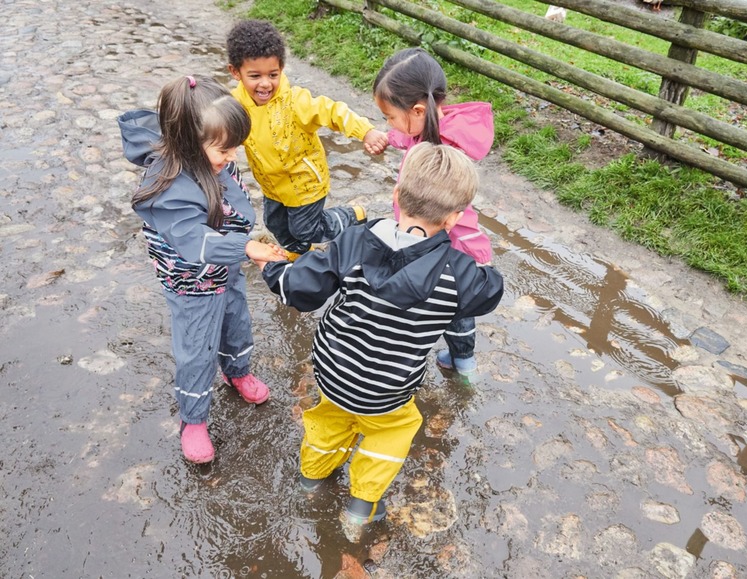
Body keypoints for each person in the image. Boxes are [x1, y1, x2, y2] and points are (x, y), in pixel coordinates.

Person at [255, 143, 504, 525]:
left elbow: (301, 289)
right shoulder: (460, 274)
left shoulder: (355, 241)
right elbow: (490, 291)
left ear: (396, 196)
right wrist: (476, 257)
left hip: (334, 372)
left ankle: (311, 479)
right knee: (390, 437)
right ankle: (361, 506)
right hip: (390, 389)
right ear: (455, 218)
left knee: (327, 422)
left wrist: (270, 267)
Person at [118, 75, 286, 464]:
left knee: (236, 320)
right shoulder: (168, 188)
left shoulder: (213, 161)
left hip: (225, 270)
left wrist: (247, 246)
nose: (232, 156)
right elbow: (195, 242)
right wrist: (246, 246)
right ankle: (193, 418)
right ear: (188, 142)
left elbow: (233, 207)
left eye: (235, 147)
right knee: (196, 348)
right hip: (190, 283)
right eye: (225, 149)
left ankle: (237, 370)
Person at [373, 47, 495, 376]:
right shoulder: (431, 127)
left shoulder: (445, 150)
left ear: (416, 110)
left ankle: (464, 362)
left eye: (390, 116)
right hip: (435, 237)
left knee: (451, 306)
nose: (389, 124)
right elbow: (411, 136)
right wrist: (390, 136)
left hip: (447, 242)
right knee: (450, 304)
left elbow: (448, 211)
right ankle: (461, 359)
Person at [226, 20, 390, 261]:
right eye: (255, 75)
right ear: (235, 72)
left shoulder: (295, 102)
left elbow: (333, 111)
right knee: (275, 224)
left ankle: (351, 216)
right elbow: (219, 129)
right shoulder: (235, 106)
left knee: (307, 228)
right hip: (272, 186)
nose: (265, 83)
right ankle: (301, 254)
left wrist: (366, 131)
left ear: (281, 68)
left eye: (273, 74)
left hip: (305, 185)